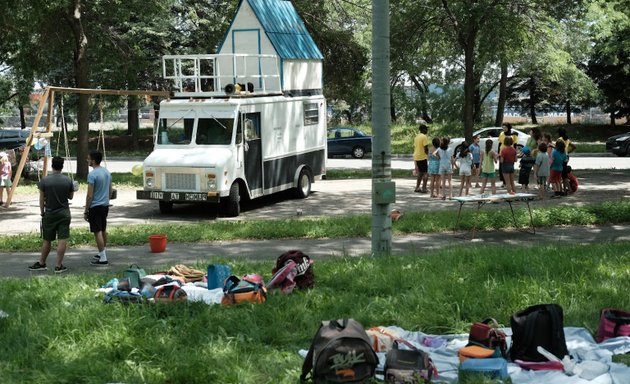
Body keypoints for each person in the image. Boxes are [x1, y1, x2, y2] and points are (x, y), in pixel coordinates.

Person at [28, 157, 75, 273]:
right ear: (62, 166)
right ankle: (58, 265)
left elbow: (41, 198)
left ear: (52, 165)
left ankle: (42, 263)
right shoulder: (68, 180)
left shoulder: (45, 180)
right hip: (64, 212)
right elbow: (70, 197)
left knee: (47, 240)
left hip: (49, 212)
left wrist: (42, 211)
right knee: (62, 239)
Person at [85, 151, 113, 265]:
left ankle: (103, 258)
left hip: (95, 206)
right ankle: (102, 252)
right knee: (103, 229)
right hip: (105, 205)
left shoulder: (92, 175)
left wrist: (86, 209)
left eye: (88, 158)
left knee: (97, 231)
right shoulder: (107, 172)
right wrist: (106, 200)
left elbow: (90, 195)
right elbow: (110, 190)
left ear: (93, 161)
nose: (87, 160)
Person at [413, 124, 429, 193]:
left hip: (417, 156)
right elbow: (426, 147)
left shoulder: (416, 137)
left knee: (420, 173)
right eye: (426, 129)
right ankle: (424, 188)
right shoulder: (424, 137)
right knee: (425, 173)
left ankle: (417, 187)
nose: (427, 130)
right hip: (422, 156)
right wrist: (428, 154)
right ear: (423, 130)